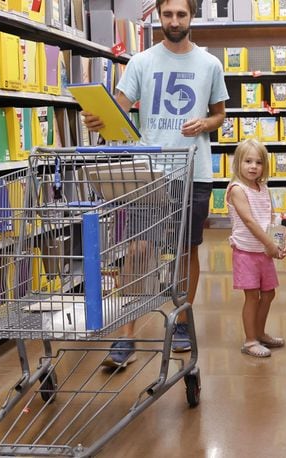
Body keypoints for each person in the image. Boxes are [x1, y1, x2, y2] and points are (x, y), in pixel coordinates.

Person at [83, 0, 229, 366]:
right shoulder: (141, 62)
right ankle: (126, 334)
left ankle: (181, 321)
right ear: (158, 17)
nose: (174, 21)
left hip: (193, 172)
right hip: (147, 173)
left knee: (185, 252)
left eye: (181, 14)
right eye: (168, 14)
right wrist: (99, 119)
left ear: (192, 16)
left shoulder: (210, 64)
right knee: (136, 251)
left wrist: (205, 125)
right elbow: (117, 107)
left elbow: (220, 115)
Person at [226, 139, 286, 358]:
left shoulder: (264, 188)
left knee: (269, 293)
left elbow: (270, 218)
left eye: (258, 162)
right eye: (248, 161)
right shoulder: (237, 189)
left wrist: (278, 244)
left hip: (264, 251)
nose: (253, 166)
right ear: (238, 164)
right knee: (252, 296)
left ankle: (260, 333)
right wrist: (270, 244)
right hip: (245, 252)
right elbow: (250, 222)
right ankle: (250, 340)